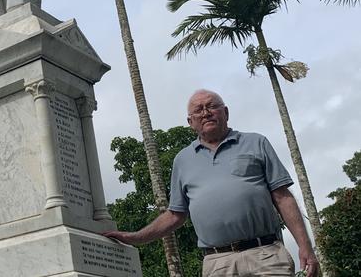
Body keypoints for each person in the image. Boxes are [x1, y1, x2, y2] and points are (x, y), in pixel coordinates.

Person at [103, 89, 319, 277]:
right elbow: (175, 215)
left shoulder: (255, 142)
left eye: (212, 106)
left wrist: (305, 246)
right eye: (198, 110)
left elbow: (282, 197)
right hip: (217, 261)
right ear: (190, 122)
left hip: (265, 254)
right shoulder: (183, 160)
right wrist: (136, 237)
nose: (205, 112)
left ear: (225, 112)